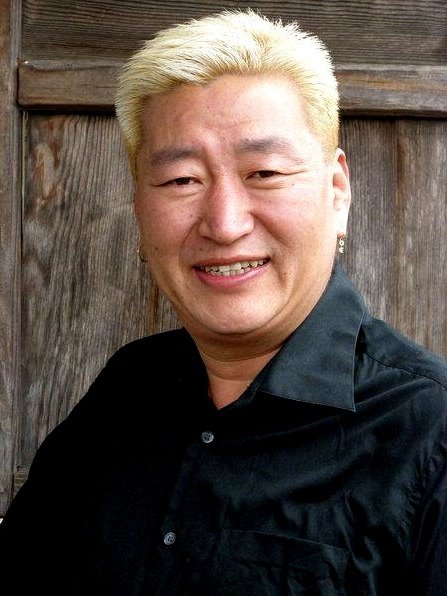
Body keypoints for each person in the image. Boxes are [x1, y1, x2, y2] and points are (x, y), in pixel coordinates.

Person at [1, 9, 446, 595]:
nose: (226, 223)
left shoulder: (429, 433)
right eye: (182, 180)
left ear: (336, 191)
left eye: (264, 172)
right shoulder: (125, 392)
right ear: (138, 208)